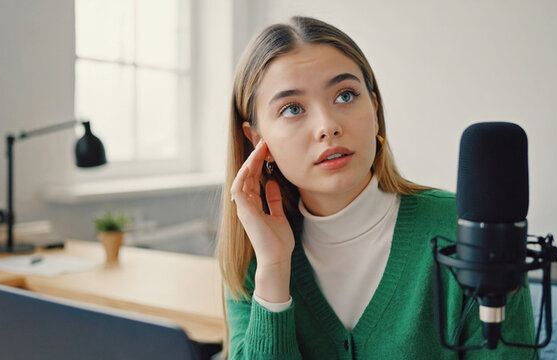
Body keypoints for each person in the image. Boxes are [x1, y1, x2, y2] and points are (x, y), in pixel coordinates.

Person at [217, 16, 535, 359]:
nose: (327, 126)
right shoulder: (254, 253)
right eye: (292, 108)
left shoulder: (469, 231)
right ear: (257, 138)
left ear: (374, 107)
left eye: (345, 95)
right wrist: (274, 268)